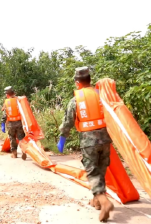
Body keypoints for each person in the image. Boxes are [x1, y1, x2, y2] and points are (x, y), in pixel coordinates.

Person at [57, 66, 114, 222]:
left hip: (89, 142)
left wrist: (62, 137)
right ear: (90, 80)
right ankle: (96, 201)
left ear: (77, 83)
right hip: (105, 139)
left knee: (92, 172)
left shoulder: (76, 100)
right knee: (101, 170)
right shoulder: (101, 95)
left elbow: (68, 122)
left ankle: (104, 201)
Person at [1, 86, 27, 160]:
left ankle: (14, 153)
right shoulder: (19, 100)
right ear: (13, 92)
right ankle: (23, 151)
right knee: (21, 137)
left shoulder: (6, 102)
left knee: (12, 137)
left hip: (10, 124)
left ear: (7, 94)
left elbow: (5, 114)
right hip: (19, 122)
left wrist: (2, 123)